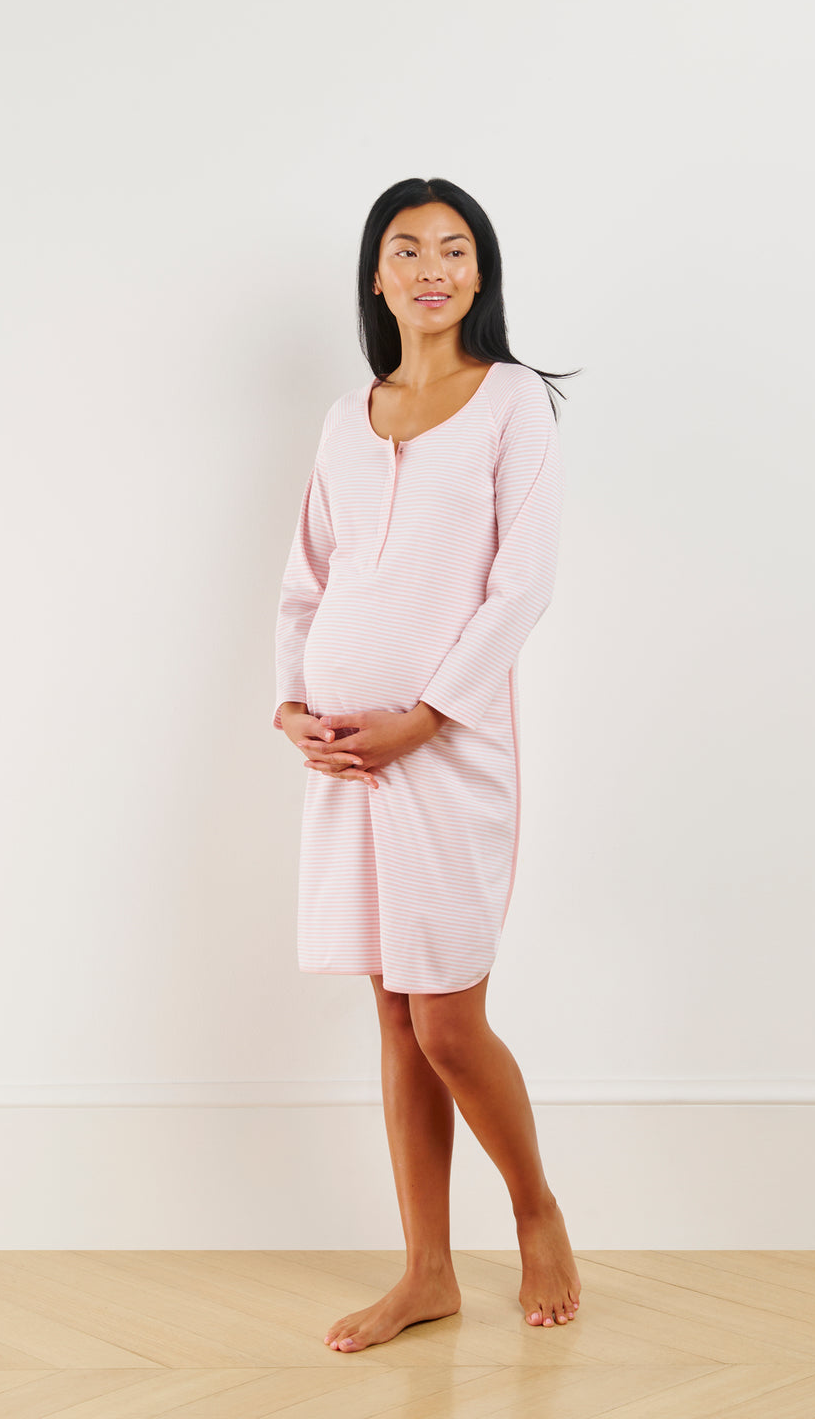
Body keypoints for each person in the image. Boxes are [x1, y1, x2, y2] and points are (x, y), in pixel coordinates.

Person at [273, 176, 581, 1354]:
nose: (433, 267)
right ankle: (428, 1273)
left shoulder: (511, 406)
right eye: (409, 250)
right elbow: (311, 574)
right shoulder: (349, 415)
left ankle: (537, 1210)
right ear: (377, 277)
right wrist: (295, 701)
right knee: (396, 1018)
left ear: (481, 275)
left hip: (446, 756)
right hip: (344, 763)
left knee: (450, 1020)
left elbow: (523, 585)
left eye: (456, 249)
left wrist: (430, 714)